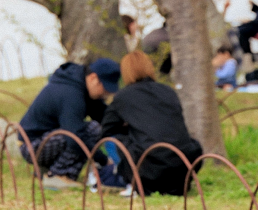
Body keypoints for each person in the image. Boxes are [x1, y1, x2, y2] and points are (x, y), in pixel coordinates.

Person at [101, 51, 203, 196]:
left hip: (148, 166)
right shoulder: (169, 91)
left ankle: (131, 181)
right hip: (182, 164)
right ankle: (174, 184)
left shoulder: (123, 97)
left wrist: (127, 126)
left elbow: (106, 130)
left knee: (111, 140)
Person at [18, 59, 120, 190]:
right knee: (90, 131)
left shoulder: (80, 86)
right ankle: (58, 175)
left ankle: (49, 170)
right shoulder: (71, 94)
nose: (106, 94)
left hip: (46, 140)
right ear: (93, 78)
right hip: (32, 146)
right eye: (105, 88)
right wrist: (103, 160)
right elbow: (74, 137)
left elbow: (104, 117)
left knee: (88, 130)